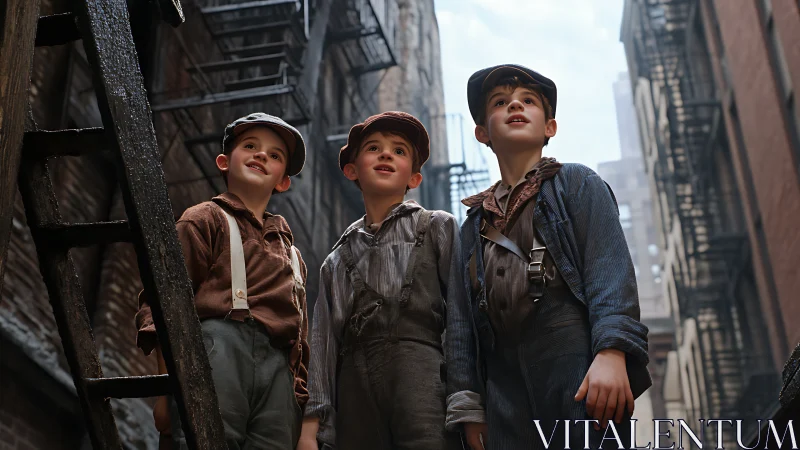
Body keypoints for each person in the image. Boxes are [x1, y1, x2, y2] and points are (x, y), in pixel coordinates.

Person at [456, 64, 652, 449]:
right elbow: (460, 324)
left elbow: (608, 271)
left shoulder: (577, 183)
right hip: (501, 386)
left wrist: (612, 351)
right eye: (500, 102)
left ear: (550, 127)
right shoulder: (471, 227)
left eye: (528, 101)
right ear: (482, 133)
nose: (515, 104)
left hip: (575, 362)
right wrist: (469, 403)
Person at [297, 111, 482, 450]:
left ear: (414, 178)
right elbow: (323, 345)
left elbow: (460, 318)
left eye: (399, 151)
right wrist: (313, 426)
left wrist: (466, 403)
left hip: (424, 388)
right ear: (352, 170)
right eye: (373, 148)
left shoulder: (437, 227)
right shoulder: (335, 261)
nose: (386, 154)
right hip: (356, 398)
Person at [135, 112, 310, 449]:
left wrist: (298, 401)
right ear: (224, 161)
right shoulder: (204, 219)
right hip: (219, 353)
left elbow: (301, 344)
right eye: (250, 146)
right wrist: (165, 389)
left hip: (278, 378)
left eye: (275, 155)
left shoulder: (293, 257)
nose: (262, 155)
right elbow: (164, 304)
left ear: (282, 181)